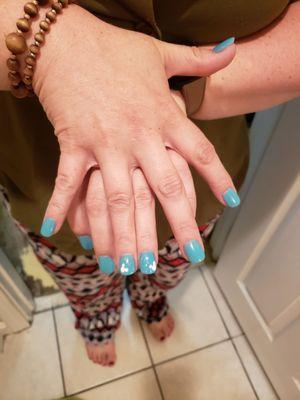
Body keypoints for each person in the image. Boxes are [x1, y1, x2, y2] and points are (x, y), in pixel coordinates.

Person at [0, 0, 299, 366]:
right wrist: (47, 45)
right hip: (46, 172)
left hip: (198, 171)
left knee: (171, 266)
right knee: (83, 279)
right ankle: (98, 320)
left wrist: (180, 91)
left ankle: (150, 300)